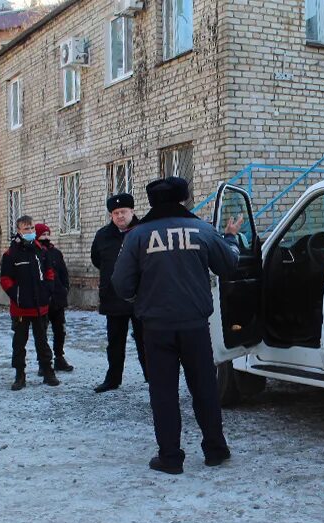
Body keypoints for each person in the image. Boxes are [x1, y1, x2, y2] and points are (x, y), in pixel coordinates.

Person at [112, 177, 242, 474]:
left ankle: (170, 457)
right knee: (205, 388)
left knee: (164, 392)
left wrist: (141, 298)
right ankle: (215, 450)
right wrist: (232, 238)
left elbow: (121, 283)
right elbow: (229, 265)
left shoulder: (138, 235)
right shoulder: (203, 230)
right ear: (184, 199)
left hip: (156, 326)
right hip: (195, 324)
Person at [90, 193, 145, 393]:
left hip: (141, 297)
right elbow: (97, 260)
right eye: (115, 213)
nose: (120, 216)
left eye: (123, 212)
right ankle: (113, 379)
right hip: (114, 297)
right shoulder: (103, 235)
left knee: (145, 339)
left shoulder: (144, 231)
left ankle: (152, 375)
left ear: (132, 211)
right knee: (115, 342)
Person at [0, 215, 59, 390]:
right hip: (20, 309)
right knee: (19, 344)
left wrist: (47, 290)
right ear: (18, 231)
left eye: (32, 228)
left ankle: (48, 372)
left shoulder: (41, 250)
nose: (30, 231)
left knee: (43, 342)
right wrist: (16, 296)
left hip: (40, 307)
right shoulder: (11, 253)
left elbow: (49, 272)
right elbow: (5, 279)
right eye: (26, 229)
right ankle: (20, 375)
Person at [35, 223, 73, 372]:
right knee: (42, 332)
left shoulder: (56, 253)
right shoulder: (35, 253)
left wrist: (64, 289)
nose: (46, 237)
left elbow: (63, 273)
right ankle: (44, 362)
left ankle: (59, 357)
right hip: (42, 300)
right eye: (42, 234)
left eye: (47, 234)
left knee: (60, 330)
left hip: (57, 299)